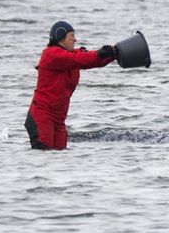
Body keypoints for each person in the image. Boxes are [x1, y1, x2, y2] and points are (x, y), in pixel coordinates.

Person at [24, 21, 116, 150]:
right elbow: (81, 59)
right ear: (60, 37)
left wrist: (114, 53)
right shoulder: (51, 54)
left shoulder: (71, 56)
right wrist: (101, 52)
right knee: (43, 157)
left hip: (59, 119)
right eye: (71, 36)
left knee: (61, 158)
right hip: (42, 117)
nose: (75, 39)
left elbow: (92, 61)